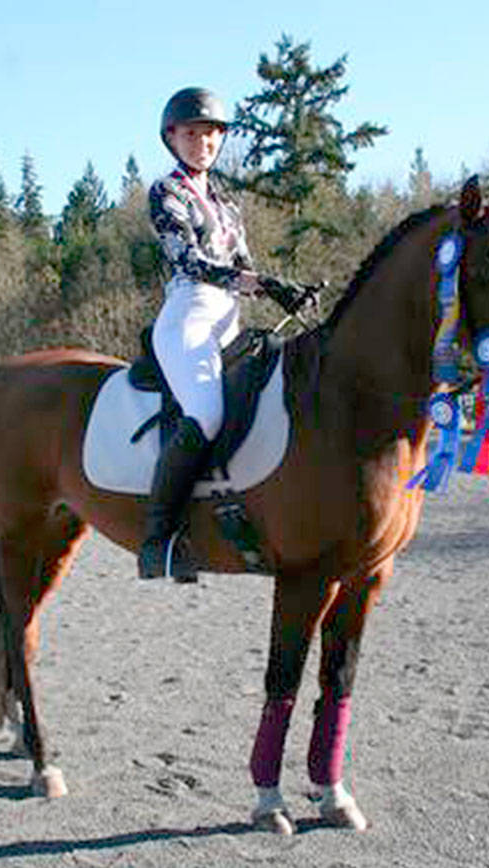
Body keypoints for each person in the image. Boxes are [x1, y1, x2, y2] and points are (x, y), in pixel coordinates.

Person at [139, 86, 309, 579]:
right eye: (192, 134)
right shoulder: (166, 192)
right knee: (207, 413)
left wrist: (283, 291)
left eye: (211, 134)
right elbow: (189, 260)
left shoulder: (228, 206)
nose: (203, 143)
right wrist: (258, 282)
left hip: (229, 319)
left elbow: (246, 268)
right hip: (189, 317)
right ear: (173, 138)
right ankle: (158, 539)